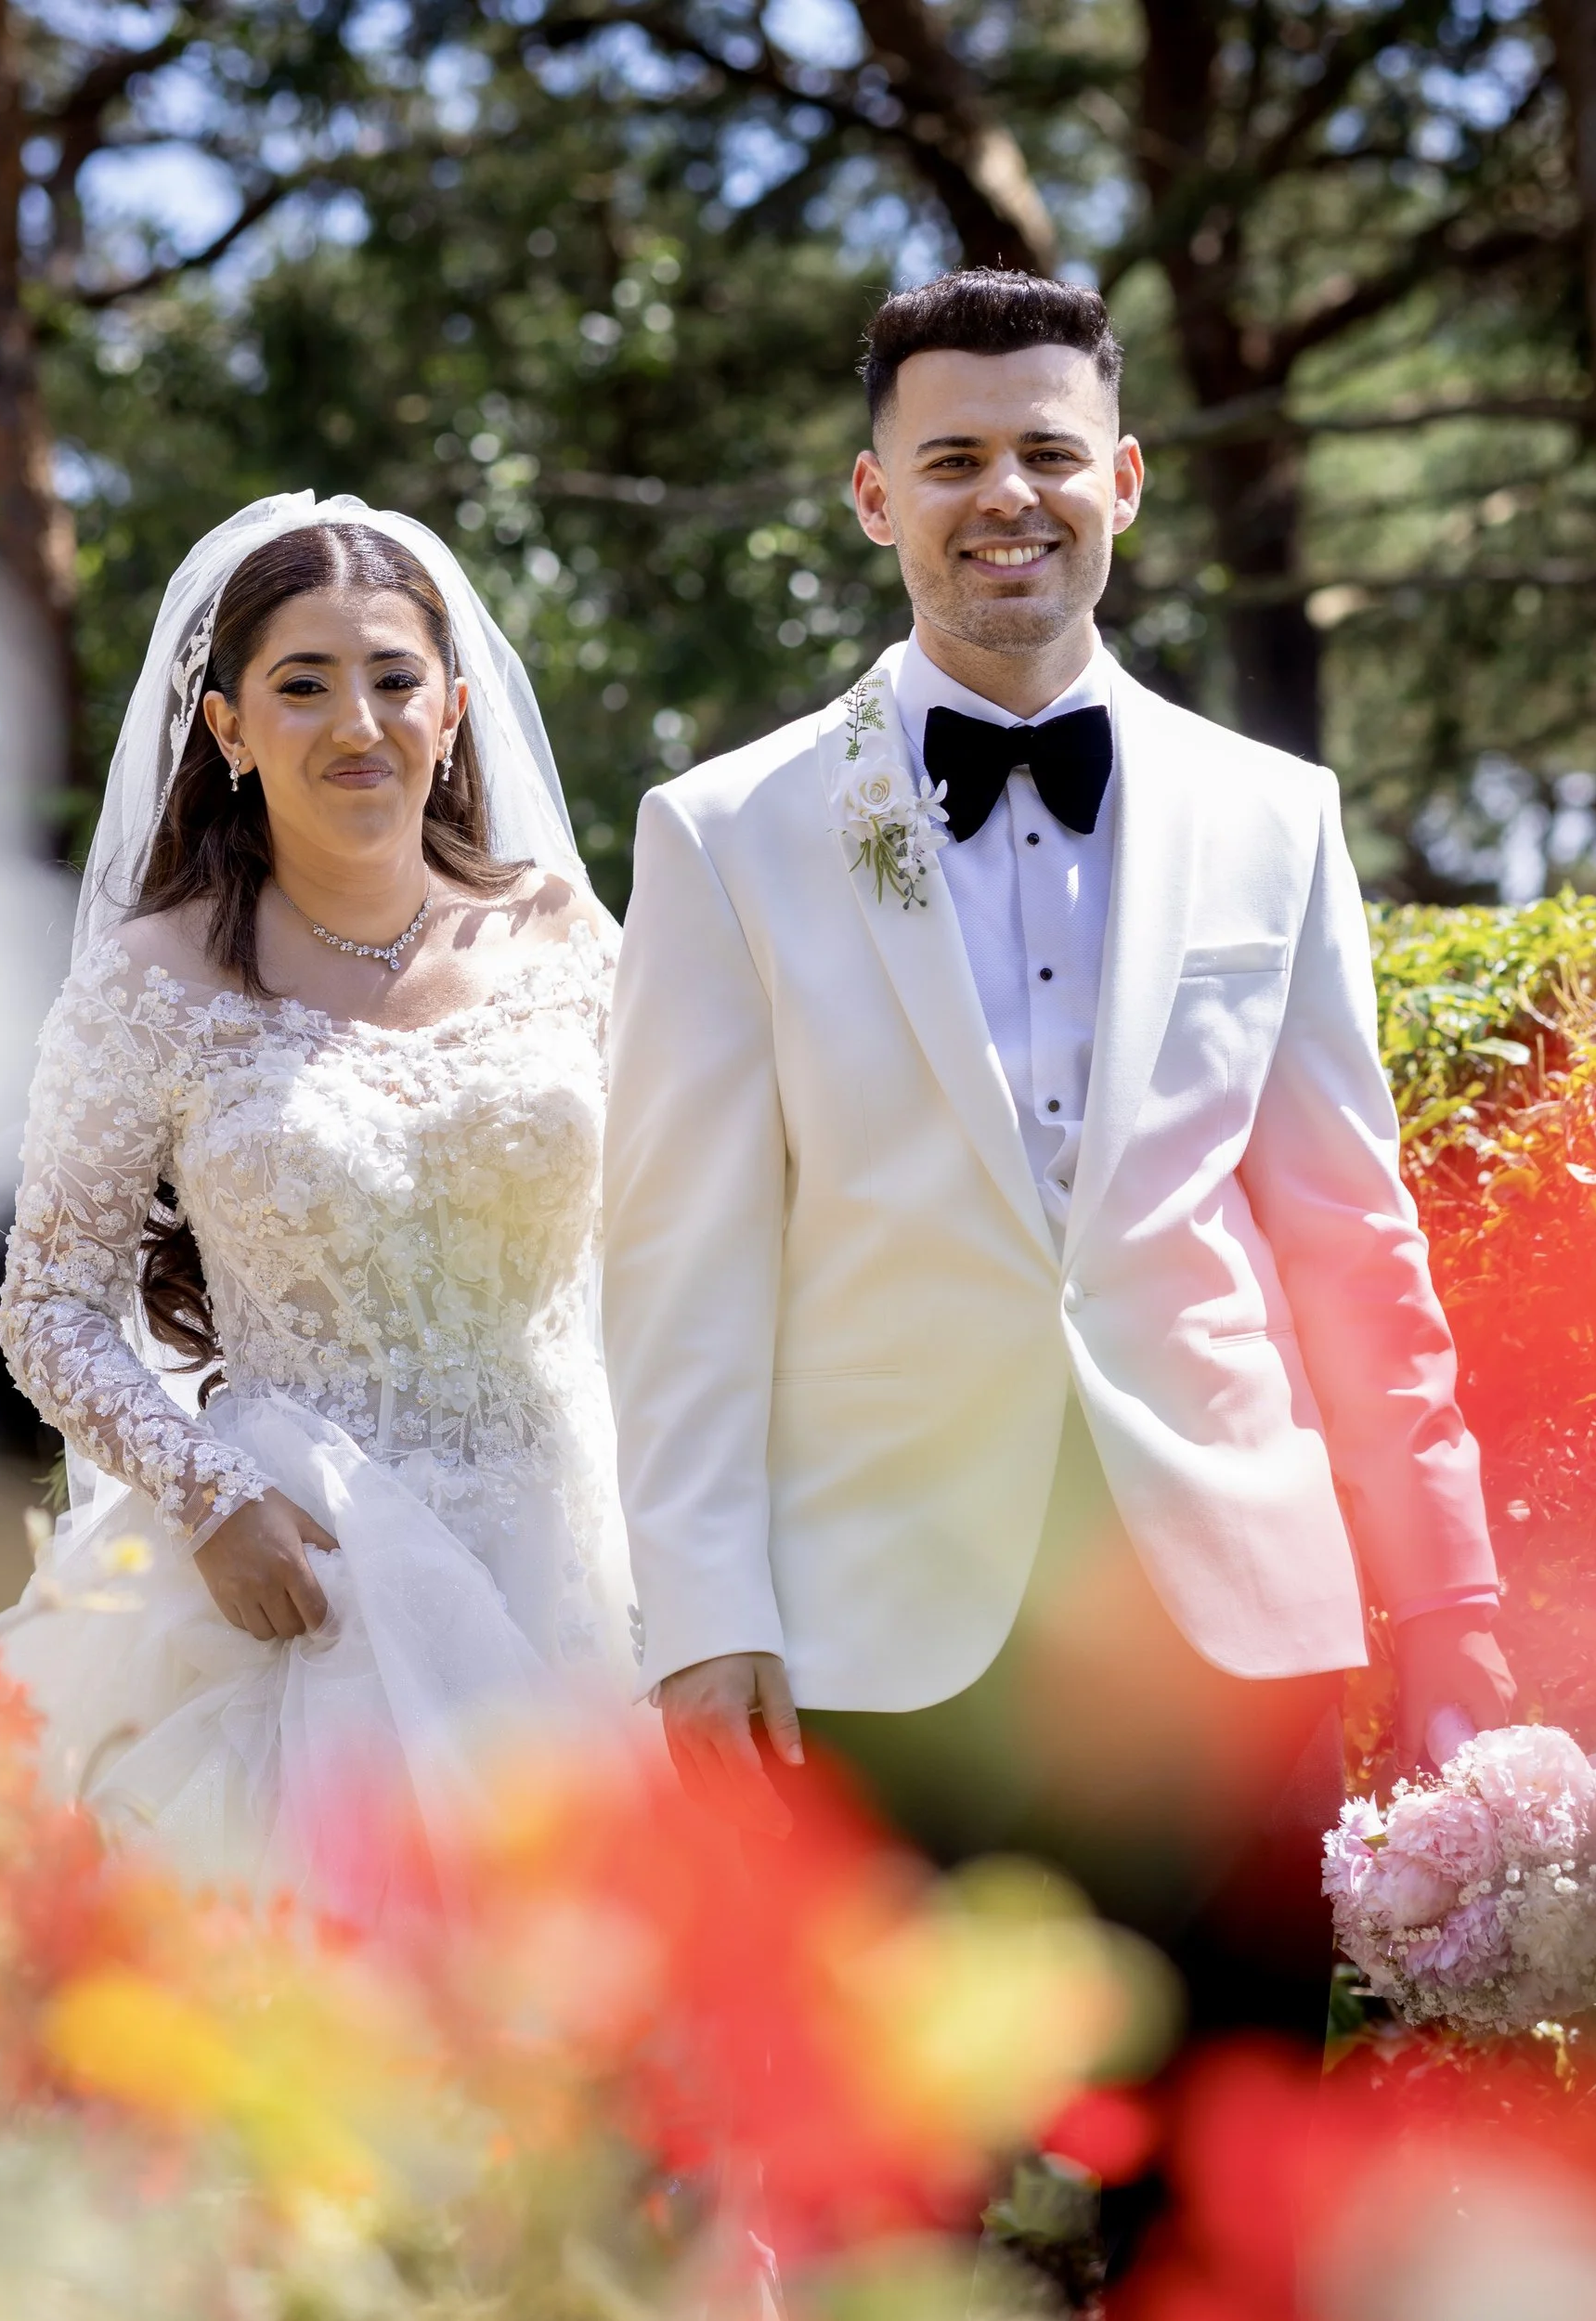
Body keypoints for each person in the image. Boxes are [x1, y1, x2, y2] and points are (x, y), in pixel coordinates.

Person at [602, 272, 1517, 2065]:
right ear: (877, 497)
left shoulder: (1280, 815)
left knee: (1225, 2206)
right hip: (881, 1655)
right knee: (922, 2219)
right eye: (952, 458)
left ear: (1127, 478)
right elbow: (680, 1267)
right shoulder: (723, 834)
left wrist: (1450, 1610)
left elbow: (1354, 1250)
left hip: (1233, 1643)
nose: (1004, 494)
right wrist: (701, 1620)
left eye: (1047, 451)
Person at [0, 494, 636, 1913]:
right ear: (226, 729)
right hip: (304, 1578)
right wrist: (213, 1499)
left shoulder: (567, 940)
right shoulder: (152, 981)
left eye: (396, 679)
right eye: (304, 684)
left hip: (569, 1556)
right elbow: (49, 1309)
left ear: (453, 710)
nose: (360, 722)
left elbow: (679, 1241)